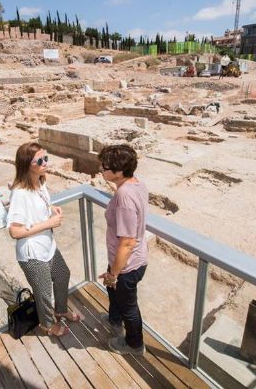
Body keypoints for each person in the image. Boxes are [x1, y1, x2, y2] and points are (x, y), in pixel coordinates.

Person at [7, 142, 81, 337]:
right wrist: (49, 223)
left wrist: (51, 208)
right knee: (44, 292)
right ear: (26, 164)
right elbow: (14, 231)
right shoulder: (20, 193)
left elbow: (40, 205)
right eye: (39, 160)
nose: (45, 162)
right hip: (33, 253)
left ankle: (61, 310)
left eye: (45, 158)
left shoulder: (40, 181)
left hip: (47, 245)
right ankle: (47, 325)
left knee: (63, 274)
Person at [98, 144, 148, 356]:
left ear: (118, 172)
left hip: (127, 264)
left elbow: (127, 242)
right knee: (114, 292)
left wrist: (113, 274)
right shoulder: (135, 184)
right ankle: (114, 320)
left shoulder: (125, 195)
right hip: (124, 259)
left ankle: (134, 344)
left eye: (104, 167)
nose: (101, 169)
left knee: (129, 306)